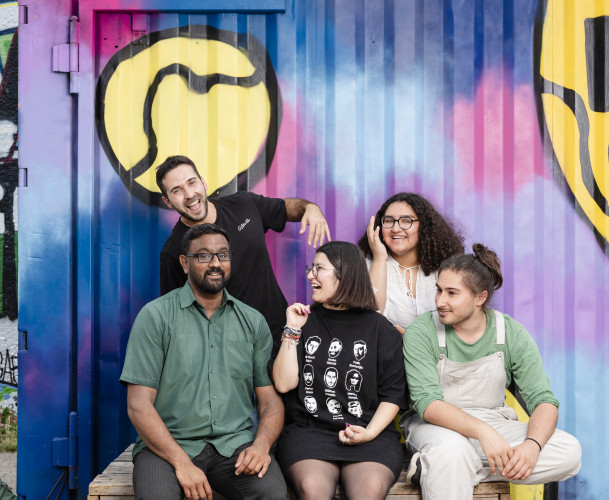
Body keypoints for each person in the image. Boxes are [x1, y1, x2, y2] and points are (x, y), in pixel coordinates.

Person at [120, 223, 289, 500]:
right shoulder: (156, 317)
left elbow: (270, 401)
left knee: (272, 493)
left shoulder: (252, 321)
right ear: (185, 263)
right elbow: (138, 405)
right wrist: (182, 463)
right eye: (204, 255)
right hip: (168, 446)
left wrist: (261, 445)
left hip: (234, 445)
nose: (215, 263)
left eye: (223, 255)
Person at [401, 244, 582, 499]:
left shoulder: (510, 332)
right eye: (439, 290)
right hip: (436, 426)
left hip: (495, 422)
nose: (440, 301)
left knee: (568, 450)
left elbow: (543, 400)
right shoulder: (422, 331)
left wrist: (532, 446)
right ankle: (448, 463)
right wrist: (484, 433)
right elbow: (428, 404)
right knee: (452, 450)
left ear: (480, 298)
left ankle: (442, 468)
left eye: (452, 293)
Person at [272, 241, 407, 500]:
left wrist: (369, 433)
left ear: (345, 274)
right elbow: (283, 384)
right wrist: (292, 330)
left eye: (319, 269)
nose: (310, 275)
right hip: (309, 433)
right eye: (311, 268)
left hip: (371, 433)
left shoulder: (381, 330)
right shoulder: (303, 322)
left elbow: (393, 394)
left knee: (368, 491)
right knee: (313, 489)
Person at [157, 155, 331, 338]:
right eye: (177, 191)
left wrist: (310, 208)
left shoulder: (242, 204)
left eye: (192, 183)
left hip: (280, 335)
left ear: (203, 182)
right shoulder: (174, 252)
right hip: (231, 350)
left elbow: (284, 207)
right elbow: (178, 317)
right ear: (167, 201)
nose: (189, 194)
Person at [358, 192, 464, 333]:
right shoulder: (366, 266)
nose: (395, 229)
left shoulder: (447, 266)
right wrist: (379, 258)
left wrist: (412, 341)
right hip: (388, 346)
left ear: (424, 226)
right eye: (388, 221)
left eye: (406, 221)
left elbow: (463, 322)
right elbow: (369, 321)